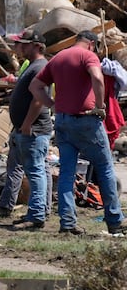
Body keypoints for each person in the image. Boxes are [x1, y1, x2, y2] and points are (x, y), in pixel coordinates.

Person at [28, 30, 127, 235]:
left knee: (67, 171)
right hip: (86, 119)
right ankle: (115, 220)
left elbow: (35, 86)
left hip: (63, 121)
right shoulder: (88, 55)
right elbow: (98, 78)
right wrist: (100, 106)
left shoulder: (57, 58)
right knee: (105, 167)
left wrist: (53, 105)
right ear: (91, 44)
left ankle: (67, 223)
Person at [7, 30, 53, 230]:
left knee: (35, 172)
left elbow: (38, 100)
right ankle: (36, 212)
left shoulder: (41, 67)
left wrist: (27, 124)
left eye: (24, 44)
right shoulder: (33, 66)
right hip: (27, 129)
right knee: (36, 171)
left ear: (37, 46)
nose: (20, 47)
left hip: (33, 130)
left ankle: (36, 216)